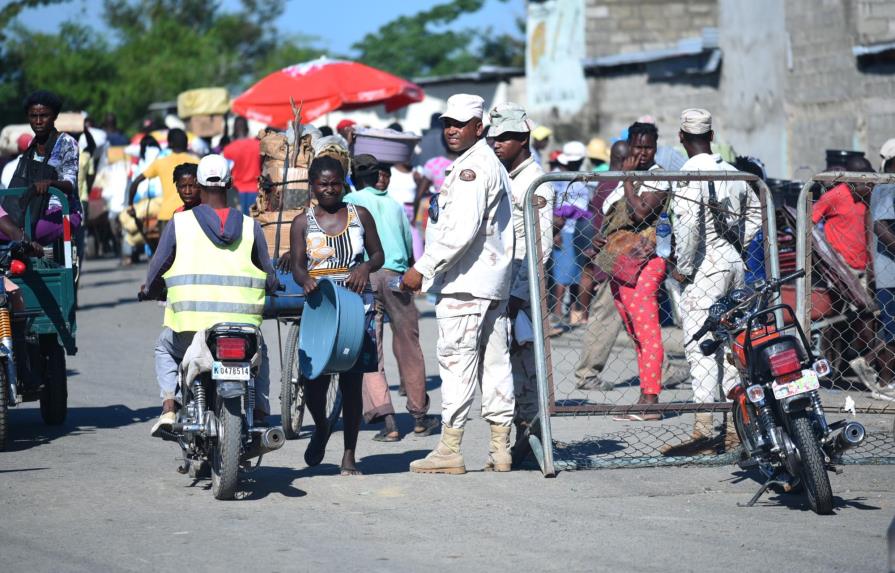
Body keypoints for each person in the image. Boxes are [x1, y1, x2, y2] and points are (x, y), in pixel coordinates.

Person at [401, 93, 515, 474]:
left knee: (456, 365)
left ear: (478, 128)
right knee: (495, 365)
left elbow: (461, 230)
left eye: (460, 124)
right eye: (447, 123)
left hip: (467, 283)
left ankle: (450, 449)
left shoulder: (473, 168)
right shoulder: (484, 162)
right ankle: (500, 448)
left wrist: (423, 267)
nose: (451, 129)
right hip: (490, 283)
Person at [141, 154, 278, 436]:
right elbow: (270, 276)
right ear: (229, 184)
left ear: (199, 187)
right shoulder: (251, 227)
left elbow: (157, 271)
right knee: (259, 352)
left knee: (164, 350)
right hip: (242, 327)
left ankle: (169, 407)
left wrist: (149, 290)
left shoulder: (180, 224)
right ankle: (261, 409)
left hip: (190, 328)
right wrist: (273, 286)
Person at [663, 108, 760, 455]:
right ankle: (738, 426)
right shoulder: (734, 172)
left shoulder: (689, 172)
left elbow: (687, 227)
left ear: (681, 137)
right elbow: (755, 213)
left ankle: (705, 428)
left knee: (700, 345)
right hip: (735, 263)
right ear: (712, 135)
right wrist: (739, 244)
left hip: (706, 264)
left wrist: (685, 267)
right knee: (733, 345)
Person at [289, 156, 384, 476]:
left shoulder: (361, 215)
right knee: (314, 380)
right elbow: (299, 265)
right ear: (312, 186)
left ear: (344, 182)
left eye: (335, 183)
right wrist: (304, 280)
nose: (329, 189)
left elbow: (378, 253)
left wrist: (365, 267)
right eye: (322, 183)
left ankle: (349, 455)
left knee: (352, 383)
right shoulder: (303, 222)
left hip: (356, 305)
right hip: (320, 306)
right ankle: (320, 426)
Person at [344, 154, 438, 440]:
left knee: (372, 349)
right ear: (377, 176)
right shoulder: (395, 204)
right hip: (398, 277)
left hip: (367, 277)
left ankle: (389, 423)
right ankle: (419, 417)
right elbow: (409, 248)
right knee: (409, 344)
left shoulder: (350, 201)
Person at [489, 102, 554, 463]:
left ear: (523, 138)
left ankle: (533, 436)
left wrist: (517, 294)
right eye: (494, 136)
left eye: (505, 137)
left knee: (525, 364)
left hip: (522, 289)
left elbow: (538, 245)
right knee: (509, 365)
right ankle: (525, 434)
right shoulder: (505, 177)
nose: (497, 143)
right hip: (503, 284)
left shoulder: (534, 181)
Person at [596, 122, 672, 421]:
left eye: (648, 147)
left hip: (643, 263)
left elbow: (642, 211)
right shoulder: (624, 178)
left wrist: (628, 179)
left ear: (656, 147)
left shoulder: (657, 178)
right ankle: (644, 395)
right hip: (620, 263)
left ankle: (651, 400)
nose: (642, 153)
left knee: (647, 330)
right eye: (637, 146)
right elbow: (615, 218)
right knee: (634, 332)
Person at [575, 140, 628, 390]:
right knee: (606, 315)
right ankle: (587, 373)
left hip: (619, 259)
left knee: (636, 318)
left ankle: (662, 370)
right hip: (612, 259)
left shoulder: (606, 182)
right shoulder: (616, 185)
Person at [2, 90, 82, 245]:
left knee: (26, 229)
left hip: (61, 212)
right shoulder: (31, 146)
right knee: (14, 226)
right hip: (31, 210)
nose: (38, 121)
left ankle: (24, 242)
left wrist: (50, 183)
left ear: (55, 116)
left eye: (44, 115)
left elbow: (70, 184)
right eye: (33, 116)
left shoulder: (66, 143)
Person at [551, 141, 592, 328]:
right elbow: (552, 205)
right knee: (562, 273)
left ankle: (575, 312)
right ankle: (558, 311)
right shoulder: (556, 178)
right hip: (565, 230)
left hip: (581, 228)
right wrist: (555, 232)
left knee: (578, 272)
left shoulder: (585, 179)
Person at [127, 128, 198, 234]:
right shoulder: (196, 162)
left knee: (166, 250)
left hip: (166, 216)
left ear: (170, 143)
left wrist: (130, 205)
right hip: (192, 215)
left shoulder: (160, 162)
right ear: (186, 143)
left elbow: (136, 182)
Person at [870, 139, 895, 401]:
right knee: (892, 330)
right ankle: (885, 383)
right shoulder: (889, 186)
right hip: (891, 273)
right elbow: (882, 228)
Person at [222, 116, 261, 214]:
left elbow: (226, 174)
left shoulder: (228, 149)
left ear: (234, 129)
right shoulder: (258, 145)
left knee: (238, 224)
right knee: (254, 224)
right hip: (255, 190)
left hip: (236, 192)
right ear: (247, 128)